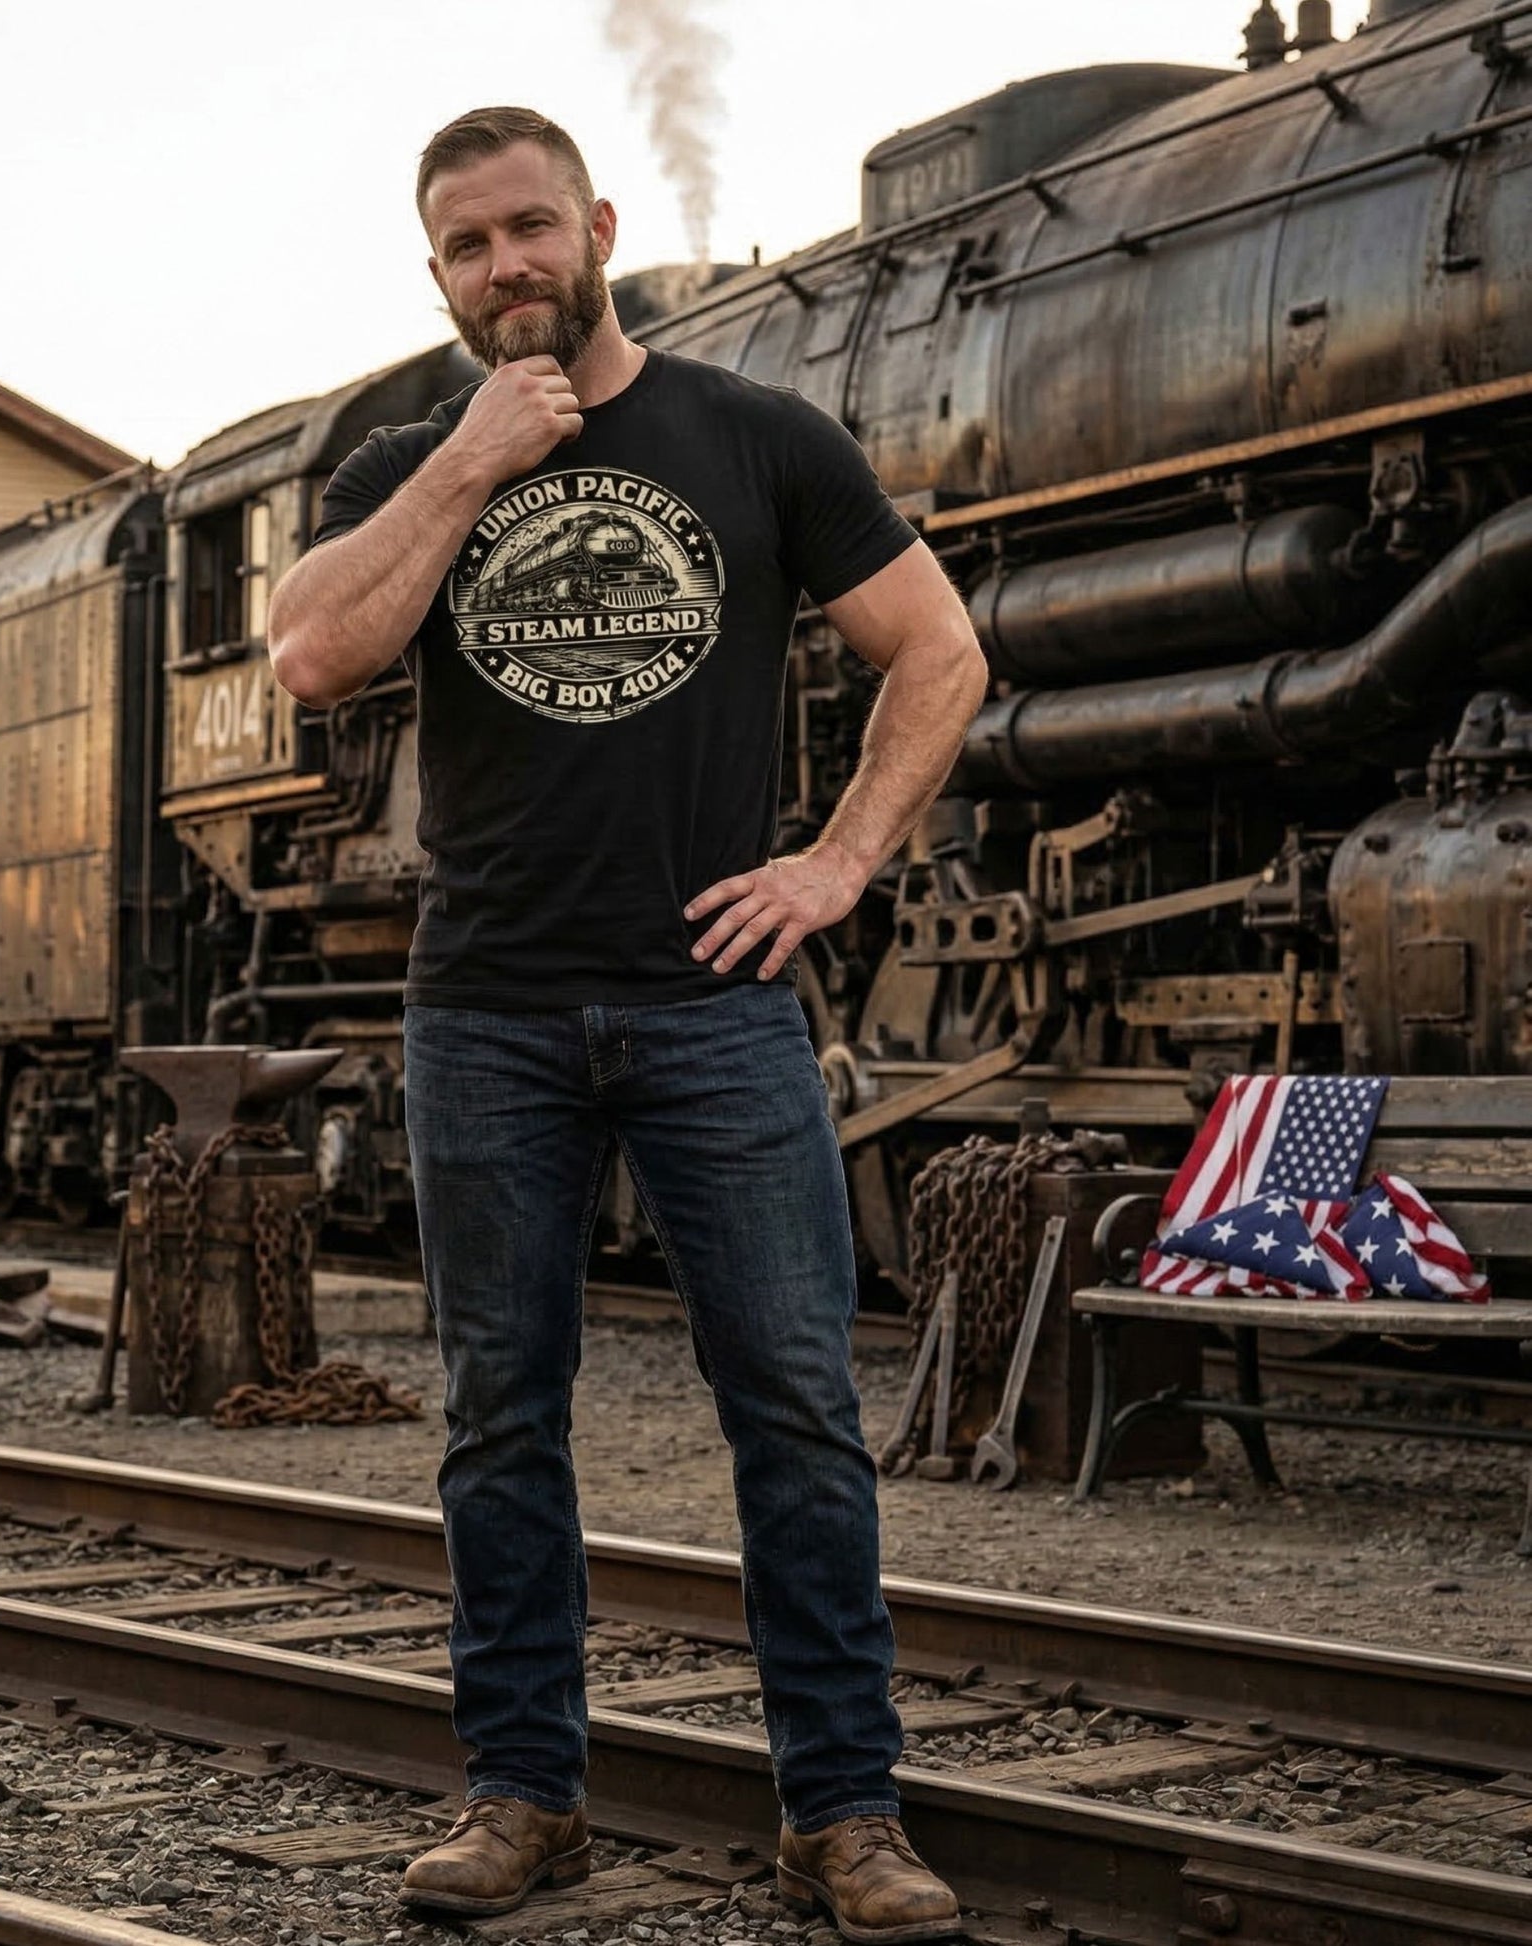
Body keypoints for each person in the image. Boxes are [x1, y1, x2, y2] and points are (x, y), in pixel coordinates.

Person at [268, 106, 985, 1945]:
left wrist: (835, 859)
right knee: (502, 1419)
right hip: (484, 1009)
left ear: (593, 226)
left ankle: (842, 1812)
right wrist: (469, 468)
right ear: (436, 276)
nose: (504, 268)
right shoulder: (409, 456)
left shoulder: (752, 437)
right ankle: (524, 1796)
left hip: (712, 1004)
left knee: (798, 1414)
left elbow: (941, 647)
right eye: (463, 249)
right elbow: (313, 654)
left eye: (526, 230)